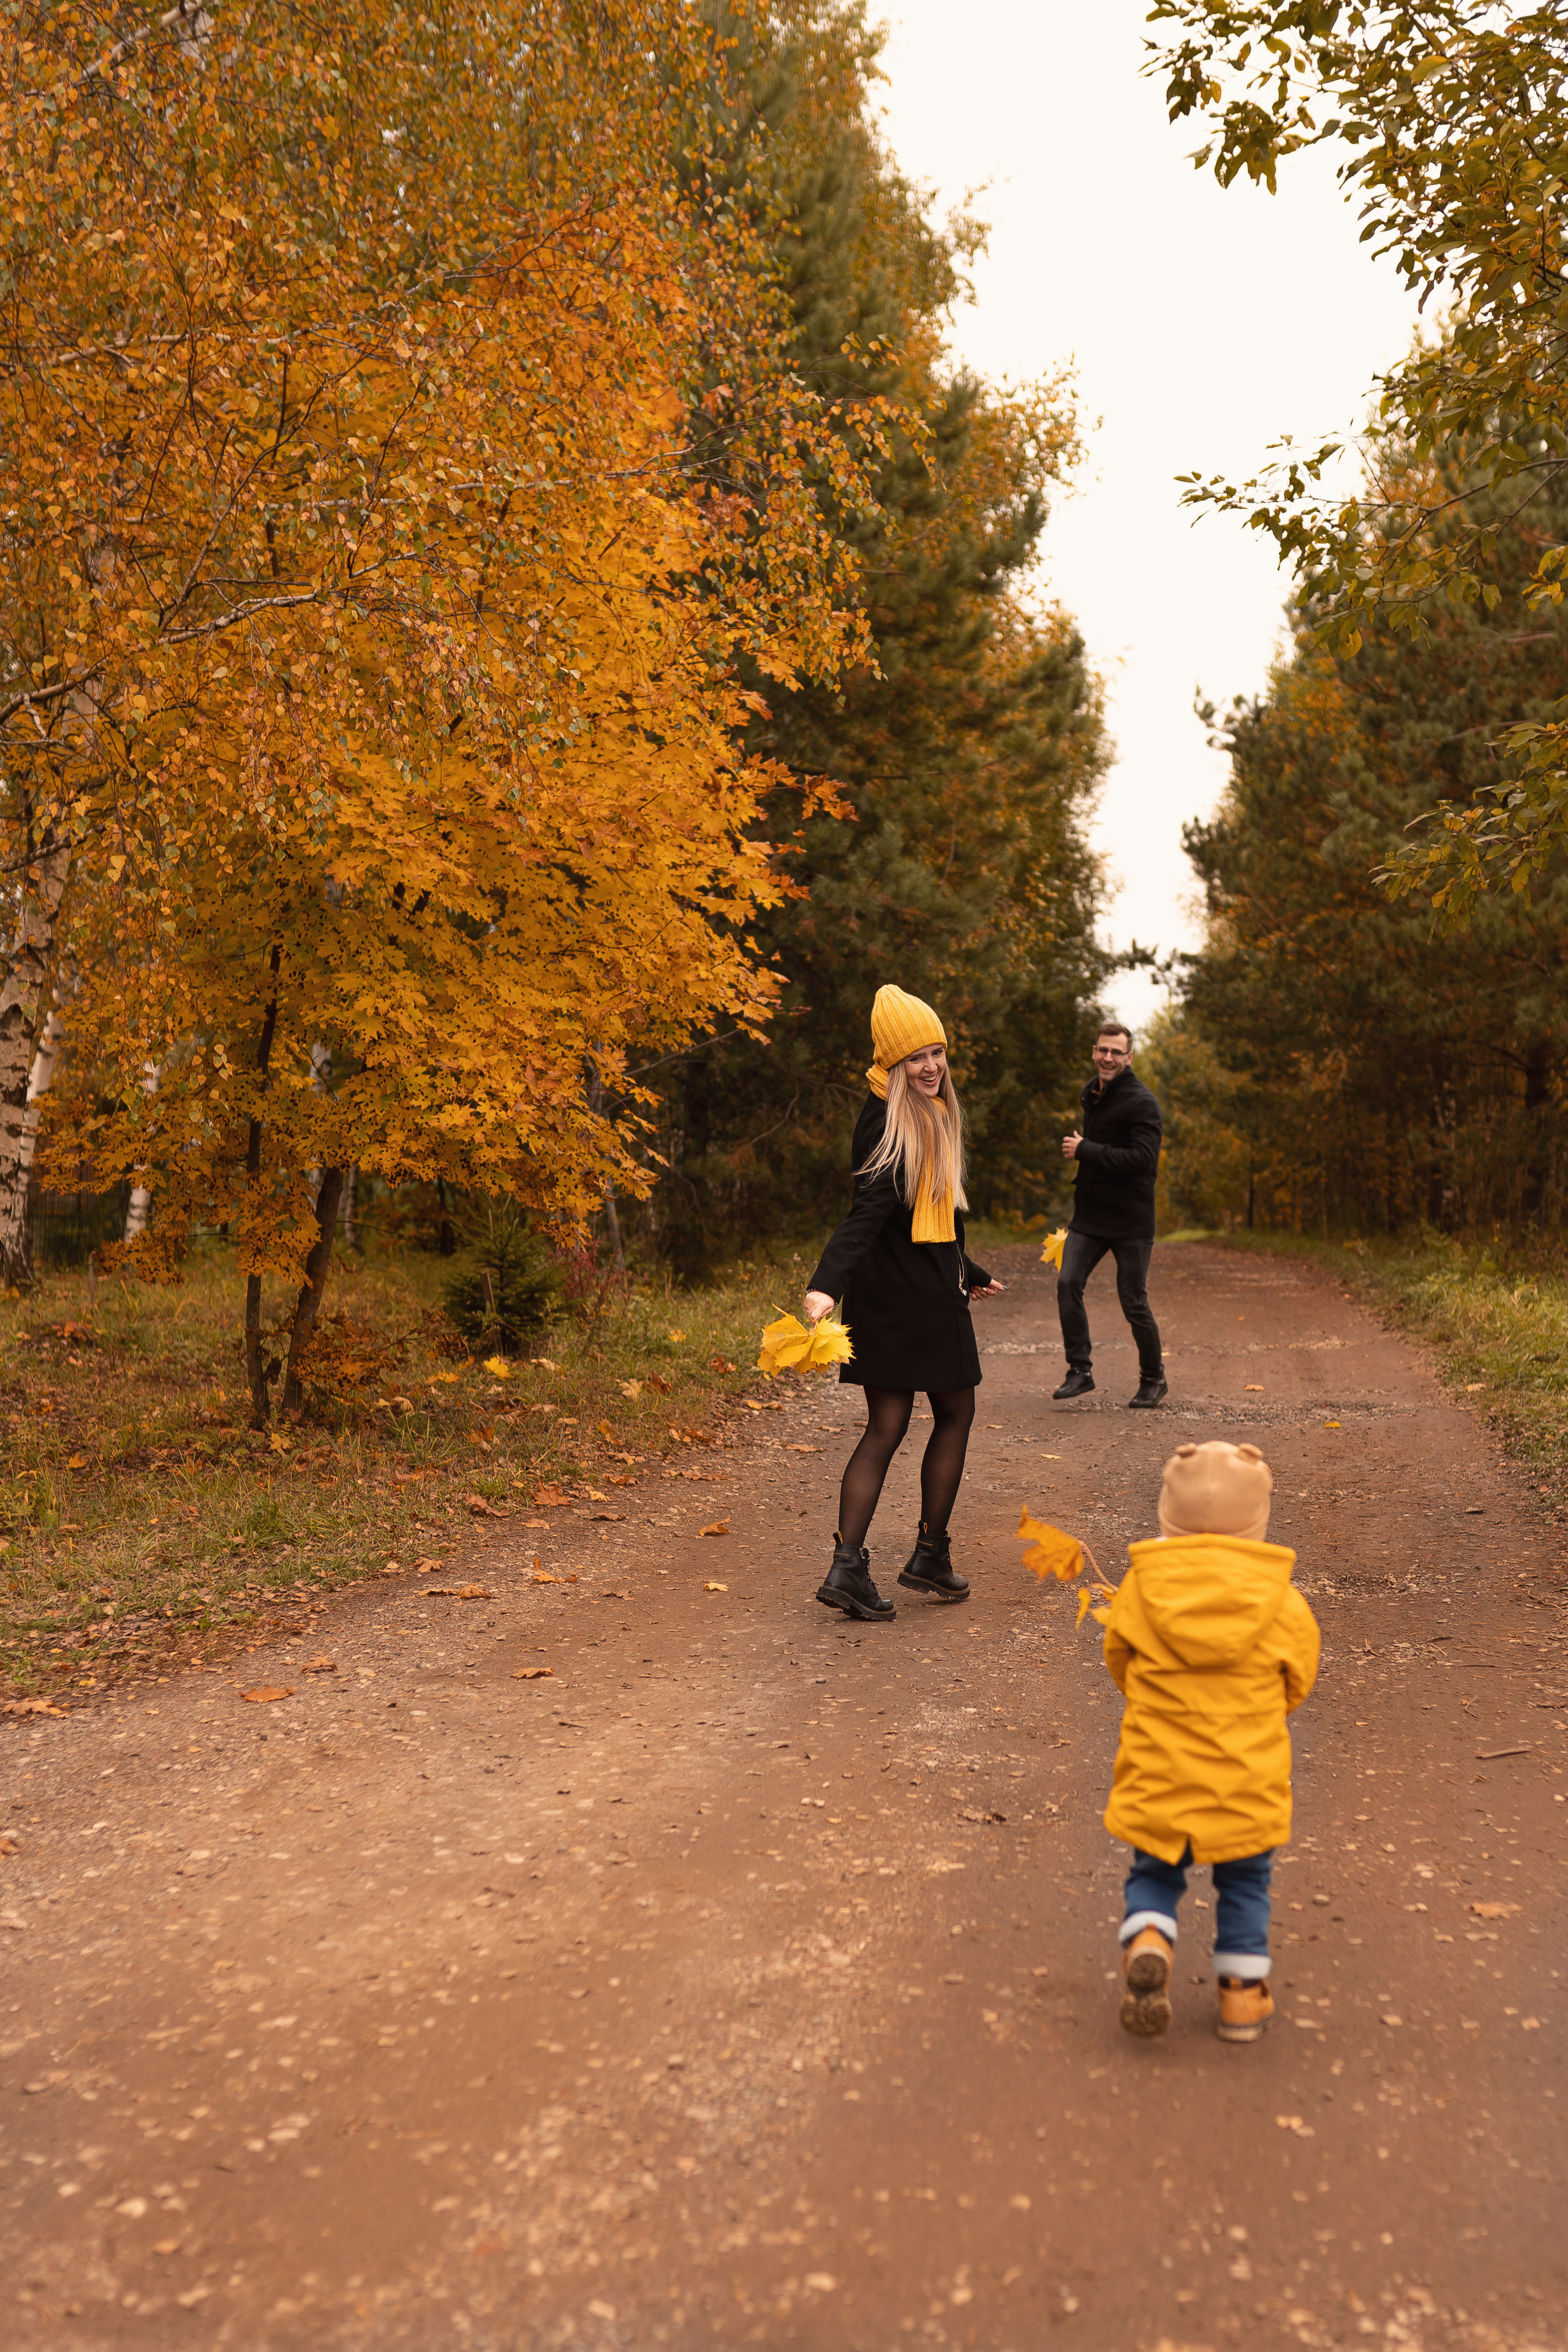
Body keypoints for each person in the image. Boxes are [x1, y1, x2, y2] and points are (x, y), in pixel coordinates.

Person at [1105, 1440, 1320, 2043]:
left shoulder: (1139, 1592)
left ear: (1167, 1516)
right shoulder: (1282, 1602)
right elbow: (1296, 1681)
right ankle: (1242, 1999)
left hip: (1160, 1770)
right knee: (1246, 1882)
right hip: (1245, 1775)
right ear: (1259, 1520)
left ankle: (1149, 1937)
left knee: (1153, 1869)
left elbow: (1118, 1663)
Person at [802, 985, 1004, 1623]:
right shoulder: (893, 1120)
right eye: (914, 1057)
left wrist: (966, 1268)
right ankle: (927, 1555)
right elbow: (865, 1215)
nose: (930, 1066)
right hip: (916, 1300)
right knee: (954, 1412)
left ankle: (848, 1566)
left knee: (886, 1427)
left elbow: (919, 1216)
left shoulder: (919, 1110)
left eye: (937, 1051)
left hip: (895, 1293)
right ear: (890, 1063)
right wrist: (823, 1284)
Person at [1055, 1020, 1166, 1408]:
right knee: (1068, 1283)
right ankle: (1080, 1371)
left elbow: (1144, 1160)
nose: (1108, 1057)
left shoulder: (1142, 1102)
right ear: (1094, 1051)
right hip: (1089, 1216)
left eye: (1116, 1052)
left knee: (1133, 1301)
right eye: (1103, 1050)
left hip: (1131, 1221)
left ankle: (1154, 1379)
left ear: (1129, 1057)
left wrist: (1086, 1150)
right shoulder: (1093, 1091)